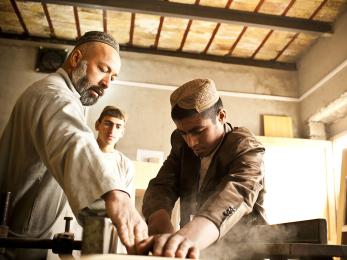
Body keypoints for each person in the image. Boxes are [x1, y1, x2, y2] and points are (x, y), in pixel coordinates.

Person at [0, 31, 146, 259]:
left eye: (113, 77)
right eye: (103, 69)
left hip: (30, 238)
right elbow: (73, 141)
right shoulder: (53, 95)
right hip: (13, 242)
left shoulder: (73, 98)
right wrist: (115, 195)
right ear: (76, 59)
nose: (107, 83)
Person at [139, 79, 267, 259]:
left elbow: (237, 191)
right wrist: (162, 231)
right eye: (184, 133)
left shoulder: (246, 147)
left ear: (221, 116)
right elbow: (161, 186)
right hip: (195, 251)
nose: (191, 142)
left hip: (242, 252)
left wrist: (185, 240)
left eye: (199, 131)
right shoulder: (181, 144)